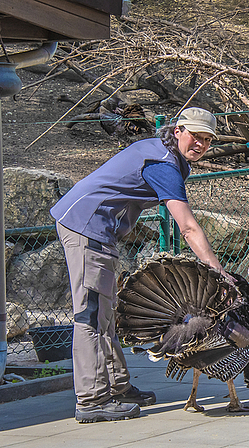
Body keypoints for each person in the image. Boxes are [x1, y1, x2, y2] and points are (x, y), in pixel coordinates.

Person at [51, 107, 233, 423]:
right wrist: (217, 272)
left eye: (207, 139)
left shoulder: (168, 156)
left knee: (105, 313)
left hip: (99, 230)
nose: (201, 144)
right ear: (178, 131)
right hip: (85, 226)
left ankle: (118, 387)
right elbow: (187, 227)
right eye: (195, 135)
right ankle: (92, 400)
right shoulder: (163, 164)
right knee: (90, 315)